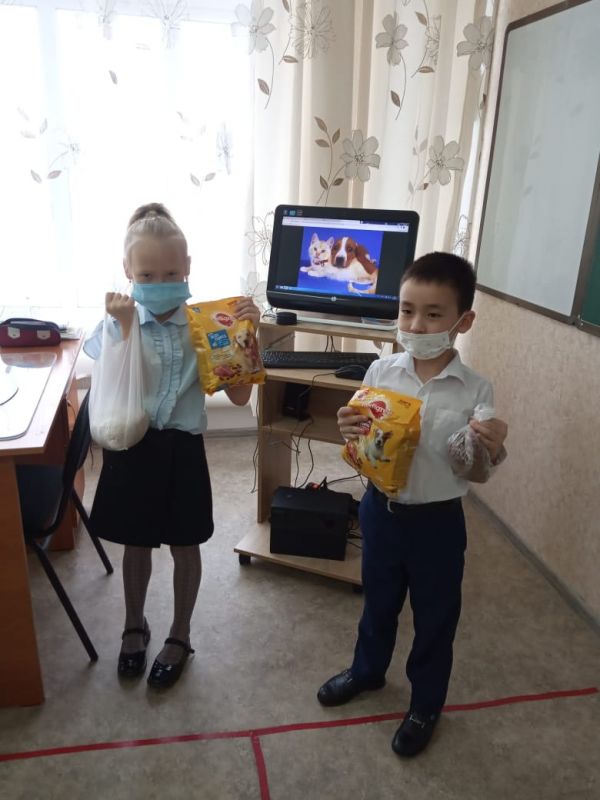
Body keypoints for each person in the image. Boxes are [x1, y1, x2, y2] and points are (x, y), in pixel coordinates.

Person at [317, 252, 508, 756]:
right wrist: (347, 426)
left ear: (464, 321)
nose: (416, 325)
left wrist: (490, 447)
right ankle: (367, 671)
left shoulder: (475, 390)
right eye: (407, 310)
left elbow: (477, 470)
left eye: (433, 314)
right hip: (380, 512)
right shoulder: (381, 370)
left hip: (438, 523)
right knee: (377, 603)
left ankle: (425, 703)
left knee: (435, 618)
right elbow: (362, 441)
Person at [84, 202, 260, 689]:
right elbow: (107, 383)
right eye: (147, 274)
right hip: (133, 445)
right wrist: (123, 328)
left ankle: (180, 635)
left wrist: (248, 336)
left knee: (186, 542)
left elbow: (241, 396)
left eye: (170, 273)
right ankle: (133, 625)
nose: (159, 282)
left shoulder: (209, 324)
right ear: (128, 271)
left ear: (187, 269)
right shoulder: (115, 322)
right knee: (136, 542)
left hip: (183, 448)